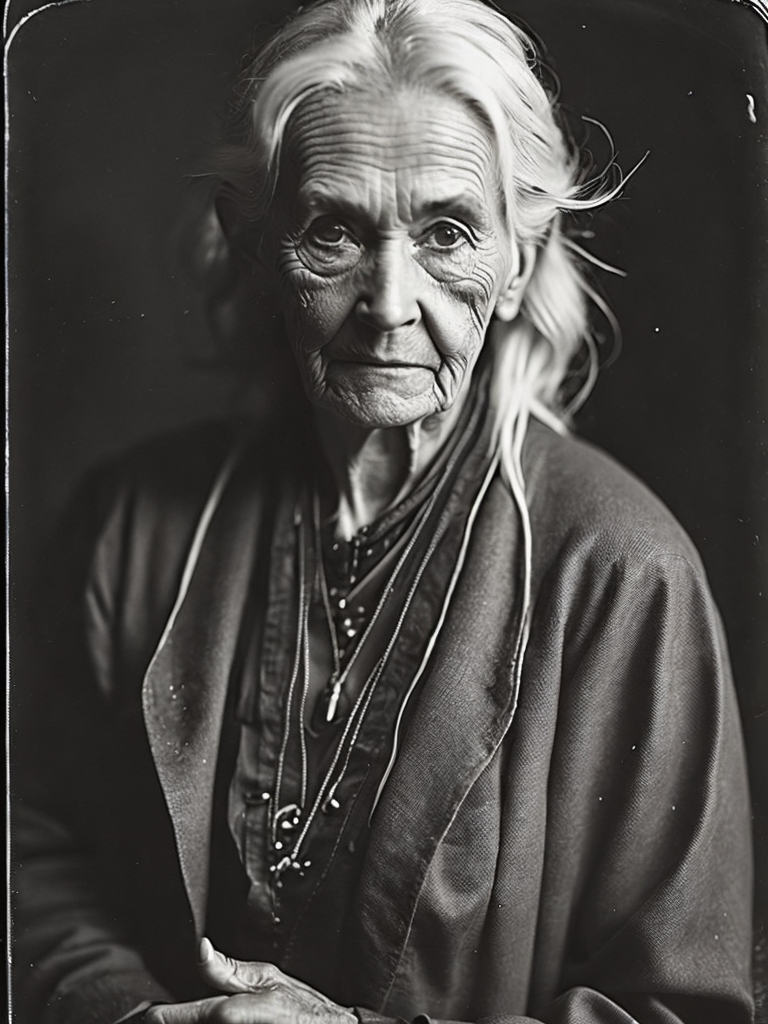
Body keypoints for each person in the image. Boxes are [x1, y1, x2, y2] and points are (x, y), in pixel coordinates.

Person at [14, 0, 755, 1022]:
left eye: (447, 232)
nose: (391, 302)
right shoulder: (134, 526)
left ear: (520, 261)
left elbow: (681, 1008)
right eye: (334, 231)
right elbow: (36, 858)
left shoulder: (623, 573)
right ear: (254, 244)